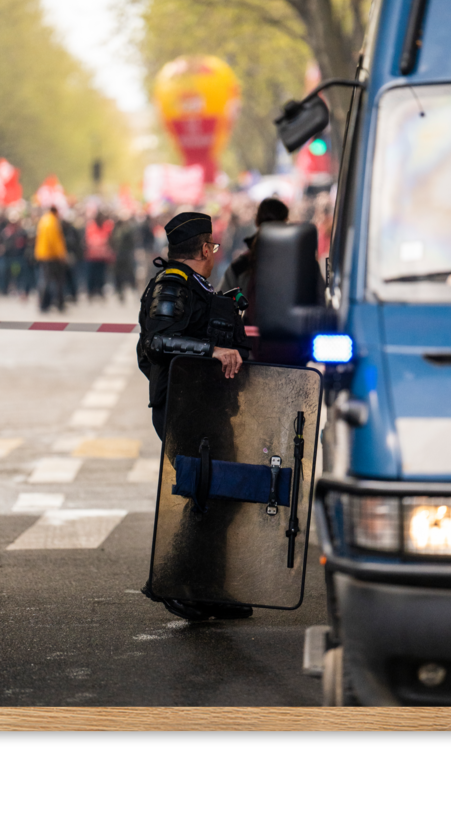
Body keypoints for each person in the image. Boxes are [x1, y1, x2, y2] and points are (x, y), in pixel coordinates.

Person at [136, 211, 254, 622]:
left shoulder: (200, 287)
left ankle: (207, 588)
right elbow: (157, 341)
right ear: (204, 249)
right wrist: (212, 352)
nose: (214, 253)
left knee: (222, 493)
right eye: (213, 246)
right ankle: (173, 581)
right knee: (208, 494)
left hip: (208, 406)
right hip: (183, 409)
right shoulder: (171, 284)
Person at [216, 197, 323, 366]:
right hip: (296, 355)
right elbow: (319, 303)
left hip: (249, 357)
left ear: (257, 222)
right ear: (286, 221)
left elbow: (222, 307)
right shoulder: (305, 262)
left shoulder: (240, 266)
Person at [35, 205, 68, 312]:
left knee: (44, 279)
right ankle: (56, 303)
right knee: (55, 281)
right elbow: (55, 240)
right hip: (52, 255)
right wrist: (62, 254)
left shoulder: (43, 220)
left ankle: (44, 303)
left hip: (43, 254)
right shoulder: (52, 222)